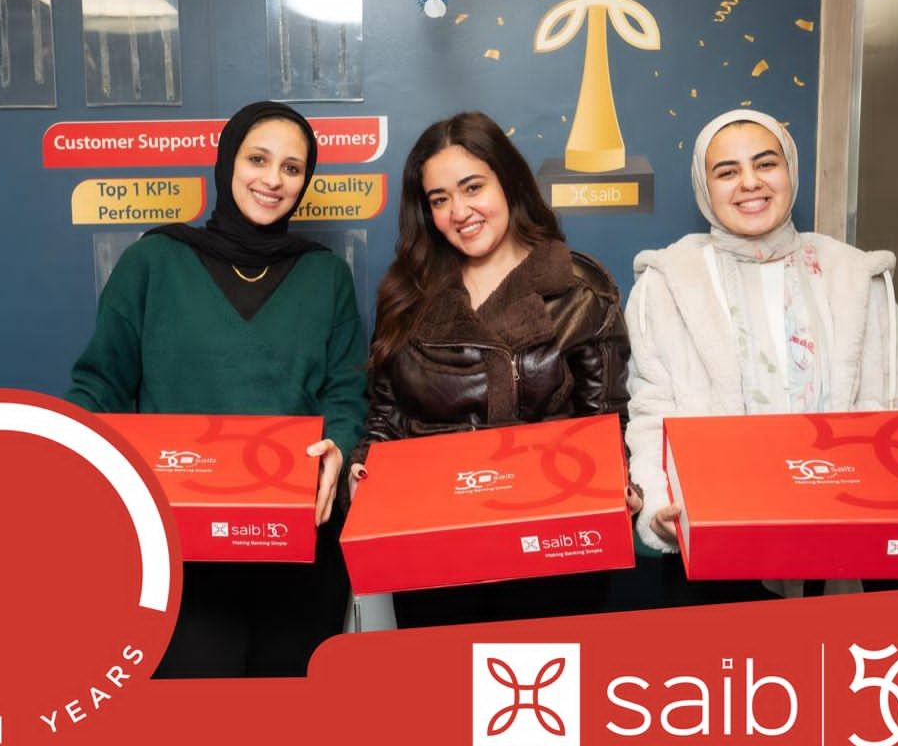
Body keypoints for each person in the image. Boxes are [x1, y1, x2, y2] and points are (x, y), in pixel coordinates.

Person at [66, 100, 367, 677]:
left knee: (291, 717)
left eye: (292, 168)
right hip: (182, 550)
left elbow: (346, 393)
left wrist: (339, 446)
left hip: (298, 543)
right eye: (258, 159)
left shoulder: (327, 275)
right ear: (228, 161)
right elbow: (99, 385)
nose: (273, 180)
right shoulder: (152, 262)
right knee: (190, 718)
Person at [625, 108, 898, 603]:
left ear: (790, 170)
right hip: (721, 545)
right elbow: (652, 413)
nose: (750, 183)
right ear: (705, 187)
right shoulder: (667, 285)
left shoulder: (854, 275)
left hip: (859, 541)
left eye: (766, 163)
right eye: (727, 171)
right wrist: (661, 504)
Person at [346, 111, 644, 628]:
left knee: (542, 681)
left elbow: (607, 420)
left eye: (472, 187)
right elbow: (385, 416)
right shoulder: (406, 292)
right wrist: (363, 466)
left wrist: (620, 480)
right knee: (440, 679)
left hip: (552, 549)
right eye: (439, 199)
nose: (459, 211)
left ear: (508, 182)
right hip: (435, 548)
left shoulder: (580, 288)